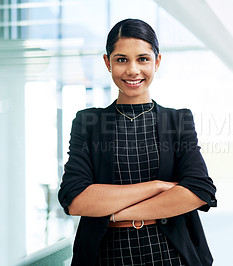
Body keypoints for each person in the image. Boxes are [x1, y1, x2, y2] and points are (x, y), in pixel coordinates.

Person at [58, 18, 217, 266]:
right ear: (107, 62)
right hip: (107, 256)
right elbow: (76, 199)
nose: (133, 70)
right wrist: (155, 186)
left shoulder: (178, 120)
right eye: (122, 59)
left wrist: (114, 213)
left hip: (170, 254)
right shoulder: (88, 122)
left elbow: (199, 191)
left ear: (157, 61)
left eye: (142, 59)